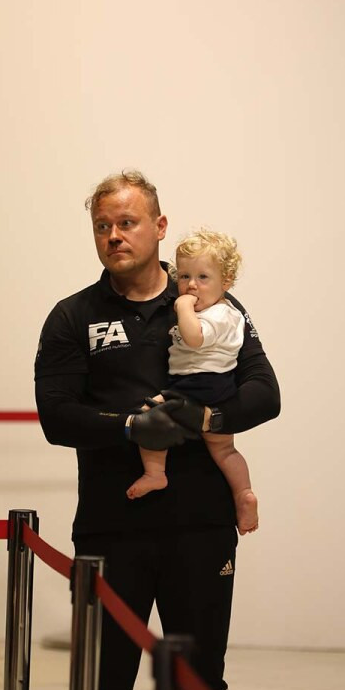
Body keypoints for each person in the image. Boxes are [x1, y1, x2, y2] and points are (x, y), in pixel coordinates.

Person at [35, 170, 280, 690]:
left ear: (160, 226)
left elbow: (265, 394)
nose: (114, 235)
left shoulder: (211, 299)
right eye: (103, 226)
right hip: (111, 528)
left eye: (128, 222)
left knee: (199, 687)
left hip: (201, 526)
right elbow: (57, 417)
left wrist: (208, 419)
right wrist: (129, 426)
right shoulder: (73, 316)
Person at [126, 228, 259, 537]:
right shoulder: (220, 311)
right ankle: (243, 492)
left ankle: (155, 472)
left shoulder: (219, 314)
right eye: (184, 277)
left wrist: (183, 308)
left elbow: (195, 339)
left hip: (199, 384)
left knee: (149, 417)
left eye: (203, 277)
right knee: (224, 450)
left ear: (226, 282)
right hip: (218, 387)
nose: (191, 285)